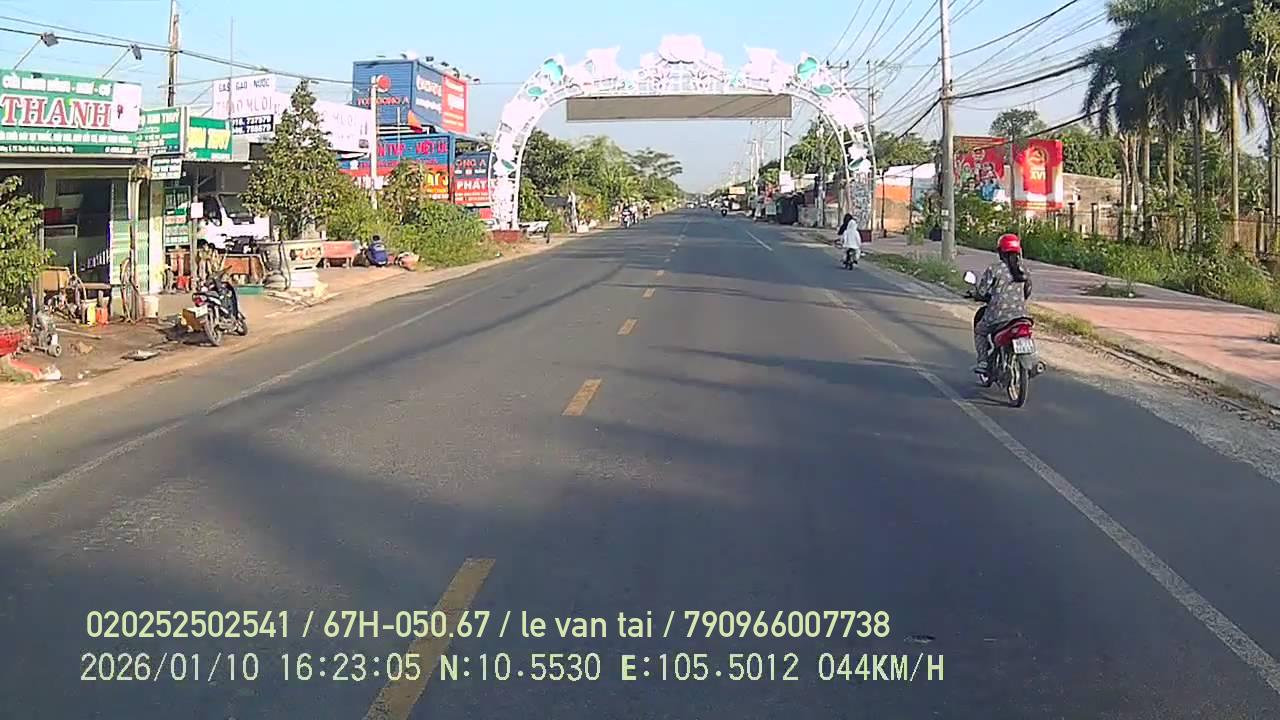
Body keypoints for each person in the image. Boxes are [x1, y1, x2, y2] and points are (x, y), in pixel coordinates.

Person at [973, 233, 1033, 374]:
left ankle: (983, 361)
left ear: (1000, 252)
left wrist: (977, 295)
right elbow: (1027, 290)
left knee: (980, 331)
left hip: (998, 316)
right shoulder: (1024, 269)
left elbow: (982, 291)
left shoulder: (994, 269)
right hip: (1022, 316)